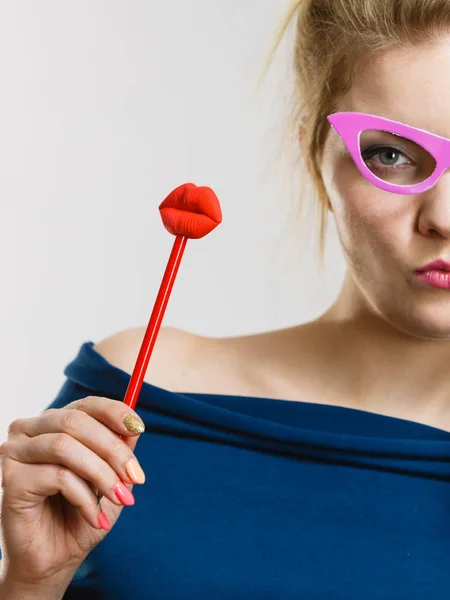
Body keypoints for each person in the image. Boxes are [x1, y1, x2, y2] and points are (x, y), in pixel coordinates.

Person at [2, 0, 450, 597]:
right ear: (314, 155)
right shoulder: (140, 391)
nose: (443, 217)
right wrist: (32, 581)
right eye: (391, 155)